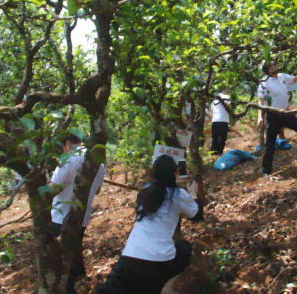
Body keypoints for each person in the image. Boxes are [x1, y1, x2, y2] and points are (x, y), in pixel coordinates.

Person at [97, 154, 203, 294]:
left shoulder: (146, 191)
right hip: (159, 263)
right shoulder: (178, 195)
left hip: (130, 259)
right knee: (184, 248)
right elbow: (197, 215)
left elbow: (162, 193)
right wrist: (193, 194)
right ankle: (165, 288)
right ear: (175, 173)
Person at [50, 134, 106, 294]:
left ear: (67, 143)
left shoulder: (69, 158)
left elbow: (53, 189)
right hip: (82, 219)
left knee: (62, 262)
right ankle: (81, 282)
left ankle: (71, 288)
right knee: (74, 252)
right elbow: (98, 190)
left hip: (61, 217)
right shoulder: (97, 162)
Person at [257, 60, 297, 177]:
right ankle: (266, 171)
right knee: (270, 143)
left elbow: (296, 78)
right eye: (274, 64)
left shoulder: (282, 76)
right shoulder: (264, 83)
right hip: (273, 116)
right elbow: (261, 101)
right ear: (269, 69)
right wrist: (260, 117)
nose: (276, 65)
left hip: (286, 113)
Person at [210, 87, 232, 155]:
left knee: (214, 138)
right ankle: (219, 152)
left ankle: (213, 152)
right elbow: (229, 106)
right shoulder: (226, 97)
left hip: (215, 120)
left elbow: (212, 111)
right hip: (223, 120)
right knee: (222, 137)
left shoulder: (214, 101)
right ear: (223, 90)